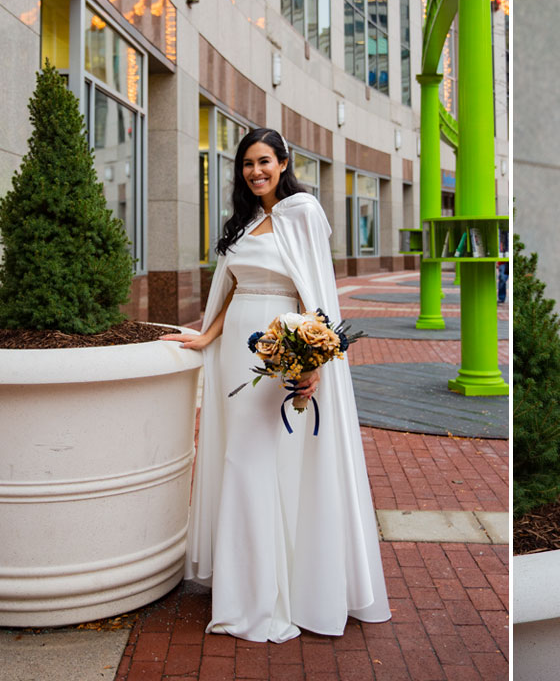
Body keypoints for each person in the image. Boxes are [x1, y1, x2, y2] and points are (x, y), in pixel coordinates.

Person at [162, 128, 390, 642]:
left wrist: (311, 362)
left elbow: (314, 291)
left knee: (265, 464)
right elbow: (230, 291)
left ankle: (271, 593)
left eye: (264, 161)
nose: (255, 171)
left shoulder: (302, 211)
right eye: (247, 163)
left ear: (284, 163)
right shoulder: (242, 223)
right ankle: (246, 584)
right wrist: (205, 338)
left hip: (280, 350)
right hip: (235, 353)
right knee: (239, 460)